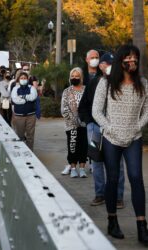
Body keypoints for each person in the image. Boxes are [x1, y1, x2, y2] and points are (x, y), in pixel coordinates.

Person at [92, 44, 148, 243]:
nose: (132, 62)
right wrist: (109, 128)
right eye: (128, 58)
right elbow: (96, 111)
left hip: (133, 137)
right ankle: (112, 221)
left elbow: (147, 110)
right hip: (111, 138)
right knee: (113, 178)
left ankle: (142, 226)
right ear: (120, 61)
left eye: (135, 58)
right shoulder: (106, 83)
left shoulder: (143, 84)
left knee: (136, 178)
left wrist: (137, 127)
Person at [78, 53, 126, 208]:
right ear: (101, 65)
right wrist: (89, 122)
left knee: (117, 163)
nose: (111, 66)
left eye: (114, 63)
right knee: (97, 162)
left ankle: (118, 197)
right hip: (95, 128)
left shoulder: (122, 81)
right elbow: (83, 105)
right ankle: (100, 194)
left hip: (115, 129)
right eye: (108, 63)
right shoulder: (94, 82)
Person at [61, 67, 88, 178]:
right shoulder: (67, 91)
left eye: (77, 76)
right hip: (71, 125)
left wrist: (84, 120)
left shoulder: (86, 90)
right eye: (72, 76)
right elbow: (64, 109)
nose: (74, 78)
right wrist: (74, 120)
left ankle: (82, 169)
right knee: (72, 147)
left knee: (83, 147)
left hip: (84, 125)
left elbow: (89, 106)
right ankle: (72, 168)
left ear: (81, 77)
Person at [11, 72, 38, 151]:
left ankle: (30, 152)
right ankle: (21, 151)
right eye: (21, 78)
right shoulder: (15, 88)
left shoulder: (31, 88)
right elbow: (15, 99)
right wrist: (25, 100)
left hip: (31, 115)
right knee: (20, 136)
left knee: (30, 136)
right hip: (19, 116)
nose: (23, 80)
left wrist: (22, 97)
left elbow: (33, 97)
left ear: (27, 79)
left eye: (25, 78)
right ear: (18, 79)